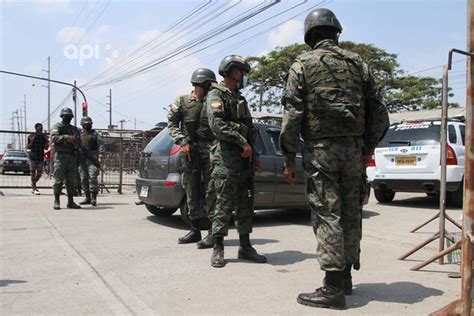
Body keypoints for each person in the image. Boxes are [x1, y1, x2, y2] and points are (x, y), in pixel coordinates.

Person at [279, 8, 389, 309]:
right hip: (353, 151)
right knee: (351, 212)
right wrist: (366, 146)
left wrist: (288, 155)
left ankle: (332, 289)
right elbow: (379, 112)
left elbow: (292, 115)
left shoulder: (302, 64)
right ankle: (346, 278)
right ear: (336, 33)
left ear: (310, 36)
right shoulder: (358, 64)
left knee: (328, 212)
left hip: (321, 151)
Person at [206, 55, 267, 268]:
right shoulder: (216, 95)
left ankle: (245, 246)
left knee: (245, 204)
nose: (244, 77)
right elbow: (217, 125)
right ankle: (218, 248)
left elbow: (250, 129)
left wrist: (254, 153)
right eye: (242, 73)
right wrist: (242, 143)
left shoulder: (240, 98)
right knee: (223, 204)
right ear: (233, 72)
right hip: (226, 160)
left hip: (244, 161)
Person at [167, 68, 217, 245]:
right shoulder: (183, 101)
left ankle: (212, 232)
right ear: (200, 84)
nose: (211, 88)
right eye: (208, 85)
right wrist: (183, 142)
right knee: (191, 190)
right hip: (189, 151)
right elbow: (172, 123)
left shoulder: (214, 101)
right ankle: (195, 230)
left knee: (213, 191)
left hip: (211, 152)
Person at [50, 107, 82, 210]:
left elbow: (78, 142)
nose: (68, 117)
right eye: (66, 116)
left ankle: (70, 201)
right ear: (62, 116)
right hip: (61, 156)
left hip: (72, 156)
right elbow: (55, 138)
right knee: (58, 180)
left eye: (69, 116)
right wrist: (66, 138)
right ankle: (56, 200)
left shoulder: (75, 129)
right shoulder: (57, 126)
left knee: (71, 181)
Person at [79, 116, 105, 206]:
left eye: (89, 124)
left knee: (93, 177)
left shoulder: (95, 134)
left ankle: (94, 198)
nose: (88, 125)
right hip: (82, 159)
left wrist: (101, 156)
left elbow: (101, 144)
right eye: (86, 124)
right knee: (83, 178)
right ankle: (87, 197)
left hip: (92, 158)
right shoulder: (79, 134)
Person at [27, 123, 49, 194]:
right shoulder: (31, 135)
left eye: (41, 128)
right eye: (39, 128)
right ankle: (34, 187)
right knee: (33, 172)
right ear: (36, 128)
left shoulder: (43, 136)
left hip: (40, 156)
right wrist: (32, 140)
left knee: (39, 173)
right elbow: (28, 147)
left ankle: (33, 184)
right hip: (33, 156)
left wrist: (46, 140)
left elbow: (46, 147)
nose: (41, 130)